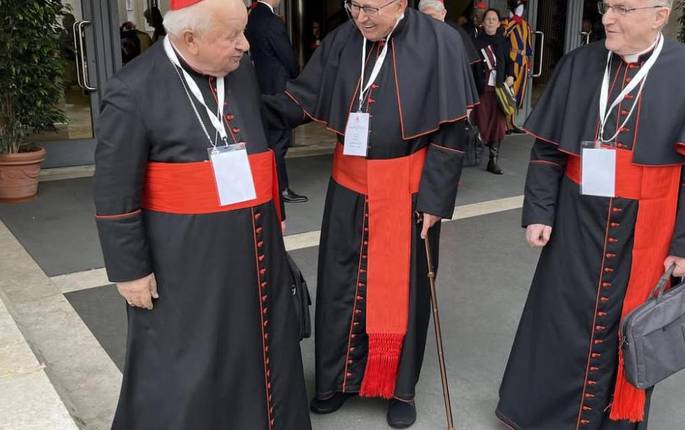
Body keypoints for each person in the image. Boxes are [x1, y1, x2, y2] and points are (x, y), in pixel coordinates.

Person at [497, 1, 685, 429]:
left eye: (623, 9)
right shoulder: (578, 63)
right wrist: (540, 211)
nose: (607, 18)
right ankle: (545, 416)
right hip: (575, 219)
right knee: (559, 320)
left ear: (659, 15)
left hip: (649, 224)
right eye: (607, 6)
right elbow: (548, 148)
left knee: (633, 325)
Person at [93, 0, 311, 429]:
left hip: (253, 248)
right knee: (188, 360)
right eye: (233, 36)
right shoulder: (132, 90)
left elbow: (256, 149)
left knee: (257, 345)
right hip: (182, 261)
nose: (245, 45)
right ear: (190, 39)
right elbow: (114, 190)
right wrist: (130, 271)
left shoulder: (238, 72)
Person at [262, 1, 477, 427]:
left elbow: (452, 131)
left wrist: (435, 199)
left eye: (371, 7)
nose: (361, 16)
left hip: (407, 190)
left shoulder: (441, 42)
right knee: (340, 282)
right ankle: (335, 381)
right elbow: (301, 100)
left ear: (400, 3)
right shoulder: (344, 39)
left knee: (406, 288)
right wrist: (248, 107)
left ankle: (400, 389)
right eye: (354, 5)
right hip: (349, 185)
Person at [246, 0, 308, 203]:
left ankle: (271, 184)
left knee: (270, 138)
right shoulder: (272, 20)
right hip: (278, 85)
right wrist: (296, 78)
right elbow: (286, 56)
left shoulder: (252, 16)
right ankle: (281, 189)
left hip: (262, 84)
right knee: (279, 140)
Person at [472, 8, 514, 175]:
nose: (490, 21)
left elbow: (510, 62)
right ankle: (479, 146)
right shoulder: (475, 42)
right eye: (488, 19)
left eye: (494, 19)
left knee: (498, 123)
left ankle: (493, 160)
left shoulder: (503, 41)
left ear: (498, 24)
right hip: (482, 88)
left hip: (499, 89)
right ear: (483, 23)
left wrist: (511, 75)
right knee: (481, 120)